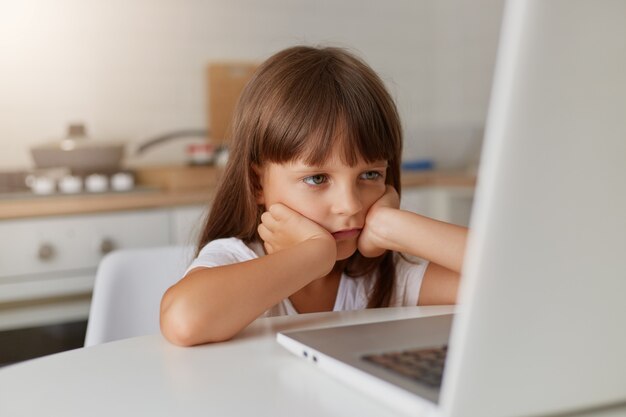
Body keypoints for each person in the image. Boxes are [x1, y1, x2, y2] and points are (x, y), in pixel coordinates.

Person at [160, 45, 468, 346]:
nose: (350, 205)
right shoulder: (237, 258)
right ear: (257, 185)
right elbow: (184, 320)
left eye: (370, 175)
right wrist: (315, 254)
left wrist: (391, 225)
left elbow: (513, 282)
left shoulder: (386, 276)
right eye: (317, 178)